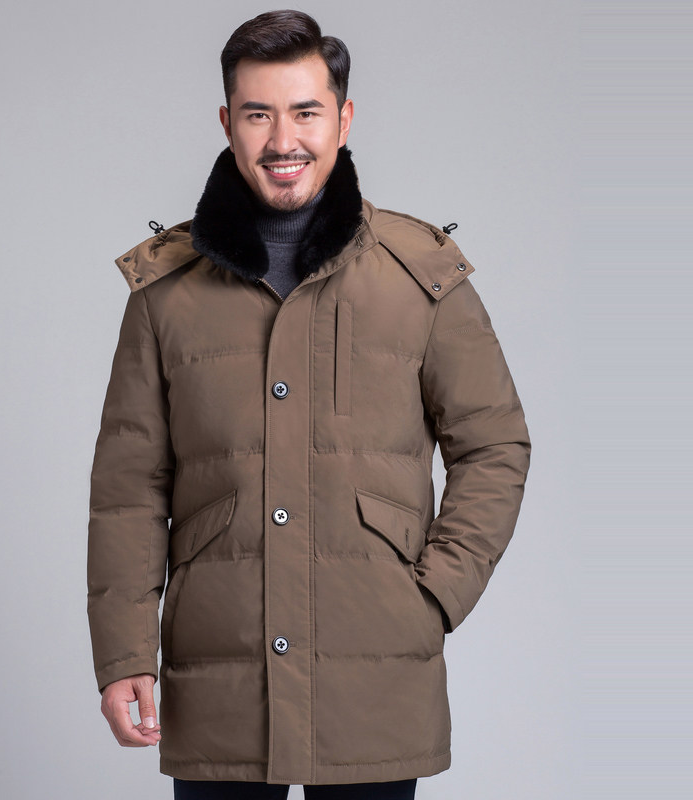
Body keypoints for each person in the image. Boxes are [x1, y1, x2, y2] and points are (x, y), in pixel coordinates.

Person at [87, 10, 531, 800]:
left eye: (305, 112)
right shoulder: (166, 294)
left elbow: (494, 444)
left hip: (375, 679)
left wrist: (437, 592)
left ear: (344, 119)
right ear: (227, 122)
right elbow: (129, 487)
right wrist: (124, 653)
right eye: (258, 114)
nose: (282, 139)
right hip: (220, 682)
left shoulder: (421, 279)